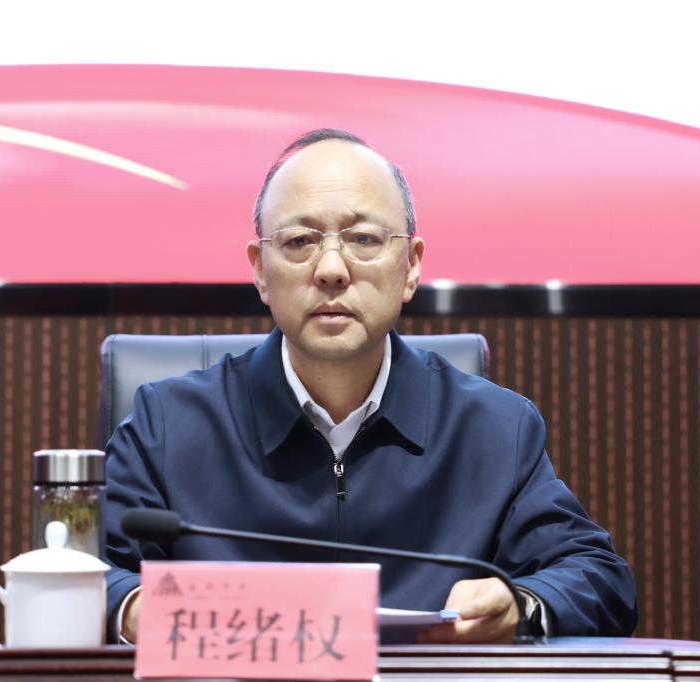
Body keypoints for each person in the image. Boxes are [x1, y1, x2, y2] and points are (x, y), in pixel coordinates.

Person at [103, 129, 637, 644]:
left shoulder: (494, 429)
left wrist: (520, 604)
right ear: (261, 270)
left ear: (411, 266)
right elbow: (86, 571)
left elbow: (598, 577)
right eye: (299, 241)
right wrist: (134, 608)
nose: (332, 269)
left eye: (363, 239)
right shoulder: (168, 425)